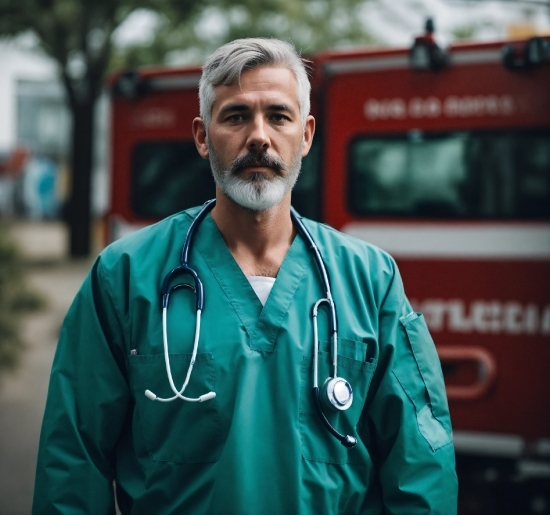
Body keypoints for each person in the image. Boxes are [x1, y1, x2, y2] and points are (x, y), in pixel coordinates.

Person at [33, 38, 457, 514]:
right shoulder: (125, 276)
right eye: (235, 116)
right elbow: (73, 461)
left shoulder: (370, 279)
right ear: (202, 135)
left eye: (279, 116)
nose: (259, 136)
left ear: (307, 134)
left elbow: (420, 464)